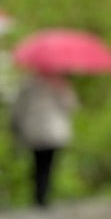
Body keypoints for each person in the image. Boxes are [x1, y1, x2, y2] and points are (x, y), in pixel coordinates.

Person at [10, 72, 78, 208]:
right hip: (52, 131)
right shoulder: (59, 84)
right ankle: (43, 196)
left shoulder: (27, 85)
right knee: (47, 165)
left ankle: (39, 196)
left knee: (39, 164)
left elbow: (18, 108)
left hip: (34, 130)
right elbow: (71, 106)